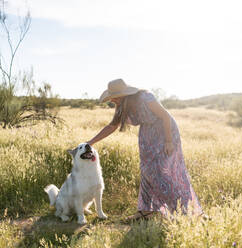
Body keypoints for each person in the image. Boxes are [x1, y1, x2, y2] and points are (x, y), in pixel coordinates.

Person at [87, 78, 203, 221]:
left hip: (166, 132)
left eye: (115, 97)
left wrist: (168, 141)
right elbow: (112, 126)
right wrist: (90, 142)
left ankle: (187, 212)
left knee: (165, 173)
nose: (113, 101)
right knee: (147, 171)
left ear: (124, 94)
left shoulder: (145, 97)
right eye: (111, 98)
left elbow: (165, 116)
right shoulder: (122, 106)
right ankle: (145, 211)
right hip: (147, 135)